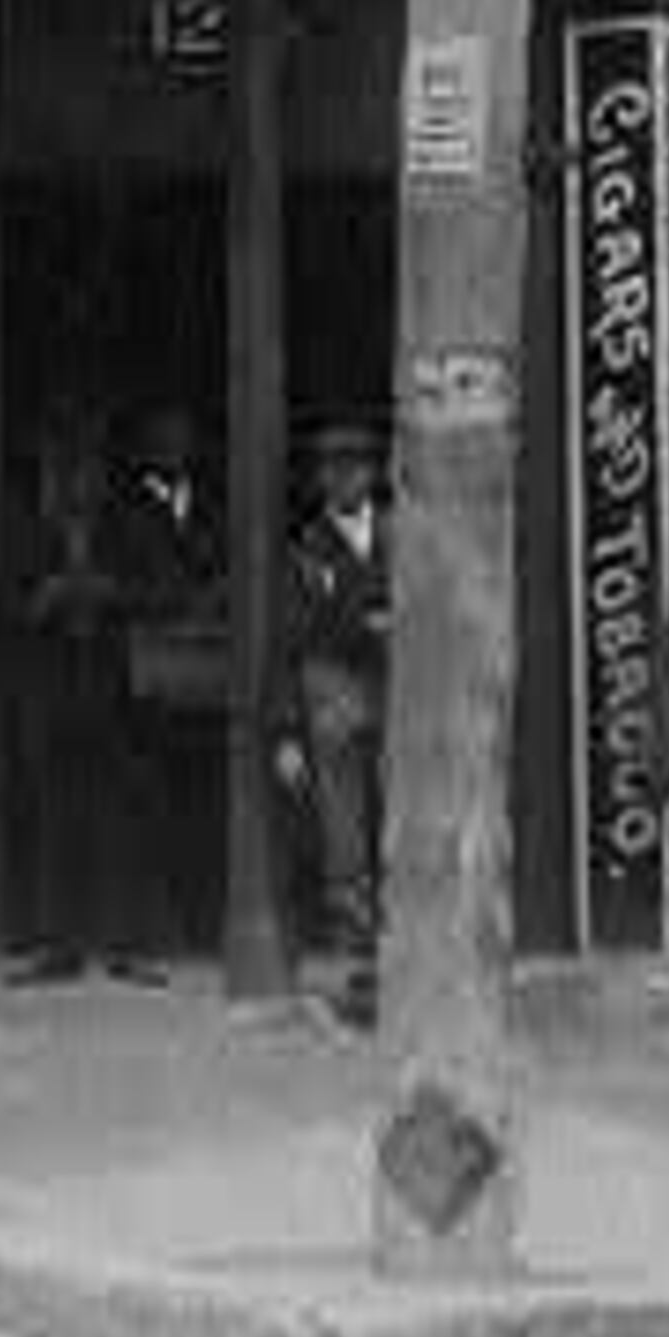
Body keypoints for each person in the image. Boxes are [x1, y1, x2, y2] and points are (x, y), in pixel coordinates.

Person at [0, 401, 138, 979]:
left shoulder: (119, 529)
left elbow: (156, 589)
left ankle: (117, 943)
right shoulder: (23, 530)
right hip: (48, 690)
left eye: (88, 469)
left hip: (106, 688)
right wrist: (44, 599)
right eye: (66, 468)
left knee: (112, 818)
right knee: (52, 819)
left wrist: (110, 592)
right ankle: (57, 945)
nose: (78, 482)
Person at [272, 415, 389, 1026]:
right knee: (344, 838)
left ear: (373, 473)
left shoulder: (399, 534)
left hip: (395, 689)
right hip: (333, 690)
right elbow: (291, 643)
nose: (347, 480)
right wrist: (287, 731)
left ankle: (406, 957)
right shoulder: (307, 550)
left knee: (403, 822)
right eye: (335, 470)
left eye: (357, 467)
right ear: (321, 480)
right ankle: (357, 968)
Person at [104, 398, 225, 967]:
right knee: (153, 803)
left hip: (209, 671)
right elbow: (121, 580)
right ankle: (157, 927)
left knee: (208, 800)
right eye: (164, 436)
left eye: (183, 435)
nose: (175, 446)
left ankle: (204, 923)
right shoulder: (123, 512)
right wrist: (169, 603)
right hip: (150, 672)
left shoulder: (216, 504)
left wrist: (212, 601)